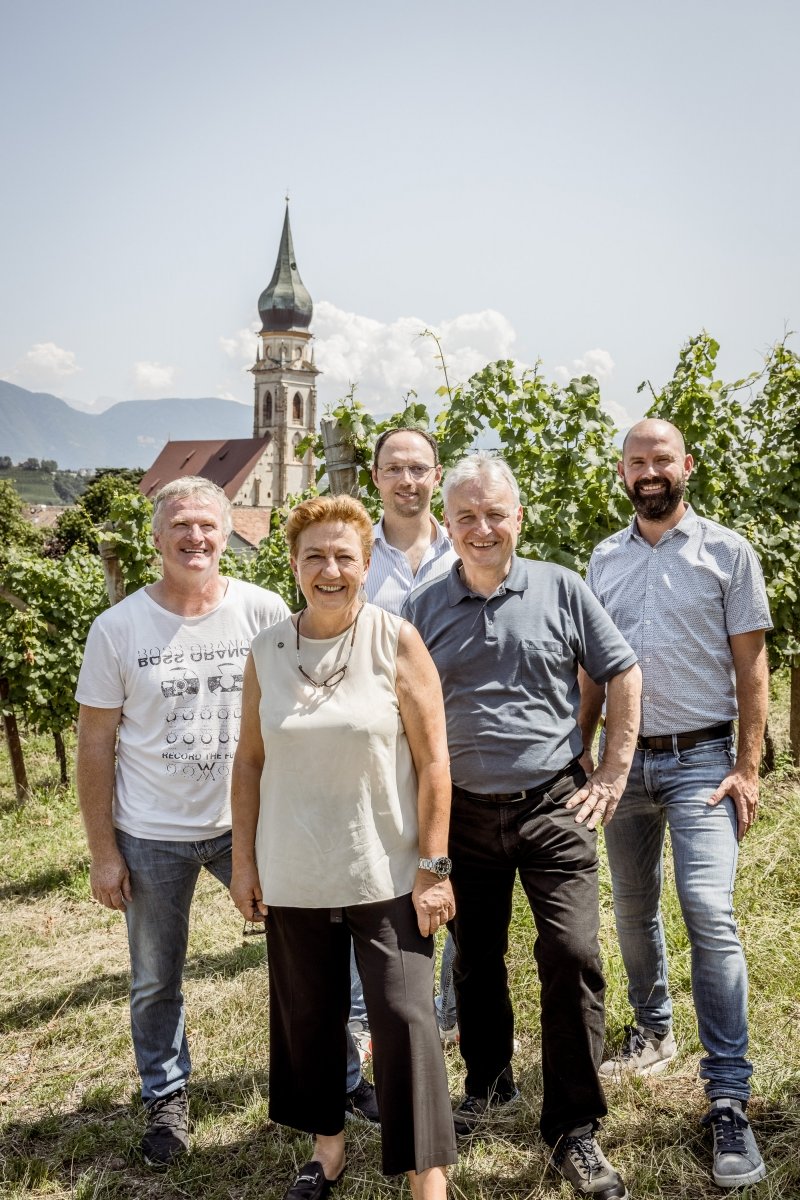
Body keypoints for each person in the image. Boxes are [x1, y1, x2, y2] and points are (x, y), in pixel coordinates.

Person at [74, 476, 373, 1167]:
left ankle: (343, 1078)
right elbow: (95, 743)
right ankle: (166, 1096)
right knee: (156, 978)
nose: (196, 537)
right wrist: (103, 852)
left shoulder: (261, 610)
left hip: (258, 821)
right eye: (181, 525)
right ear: (157, 538)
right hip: (151, 834)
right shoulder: (117, 629)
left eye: (208, 524)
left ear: (228, 531)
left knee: (309, 958)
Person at [403, 452, 641, 1200]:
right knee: (475, 959)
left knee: (571, 954)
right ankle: (489, 1083)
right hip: (461, 813)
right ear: (447, 523)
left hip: (553, 805)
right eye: (466, 516)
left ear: (519, 518)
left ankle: (574, 1127)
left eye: (495, 514)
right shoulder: (420, 609)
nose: (482, 528)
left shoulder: (562, 588)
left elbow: (623, 671)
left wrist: (612, 772)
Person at [230, 493, 458, 1200]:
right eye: (315, 557)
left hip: (386, 869)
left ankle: (427, 1175)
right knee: (309, 1015)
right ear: (294, 564)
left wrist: (434, 867)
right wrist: (244, 861)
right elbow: (249, 761)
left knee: (405, 1020)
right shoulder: (266, 651)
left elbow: (435, 762)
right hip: (293, 869)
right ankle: (327, 1150)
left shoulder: (396, 640)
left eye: (344, 557)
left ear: (365, 565)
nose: (329, 570)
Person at [580, 418, 771, 1190]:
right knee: (631, 907)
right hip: (623, 765)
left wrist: (747, 768)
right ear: (623, 473)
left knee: (708, 910)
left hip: (702, 762)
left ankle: (727, 1095)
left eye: (662, 458)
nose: (650, 471)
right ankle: (653, 1029)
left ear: (685, 464)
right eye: (637, 461)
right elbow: (592, 670)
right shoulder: (603, 558)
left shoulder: (728, 552)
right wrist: (582, 752)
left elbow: (751, 667)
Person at [359, 426, 459, 1050]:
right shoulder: (354, 556)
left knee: (454, 874)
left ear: (436, 477)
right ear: (375, 477)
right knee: (374, 880)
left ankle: (450, 1009)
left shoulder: (467, 547)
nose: (407, 479)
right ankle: (367, 1016)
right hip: (379, 751)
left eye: (418, 468)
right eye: (394, 468)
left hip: (458, 747)